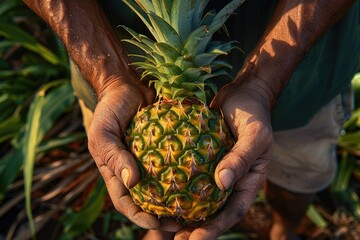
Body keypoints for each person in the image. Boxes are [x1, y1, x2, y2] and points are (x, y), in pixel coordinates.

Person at [24, 0, 360, 239]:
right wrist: (109, 76)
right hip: (107, 66)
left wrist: (260, 83)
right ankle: (158, 229)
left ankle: (283, 228)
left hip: (306, 77)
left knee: (300, 174)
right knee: (128, 173)